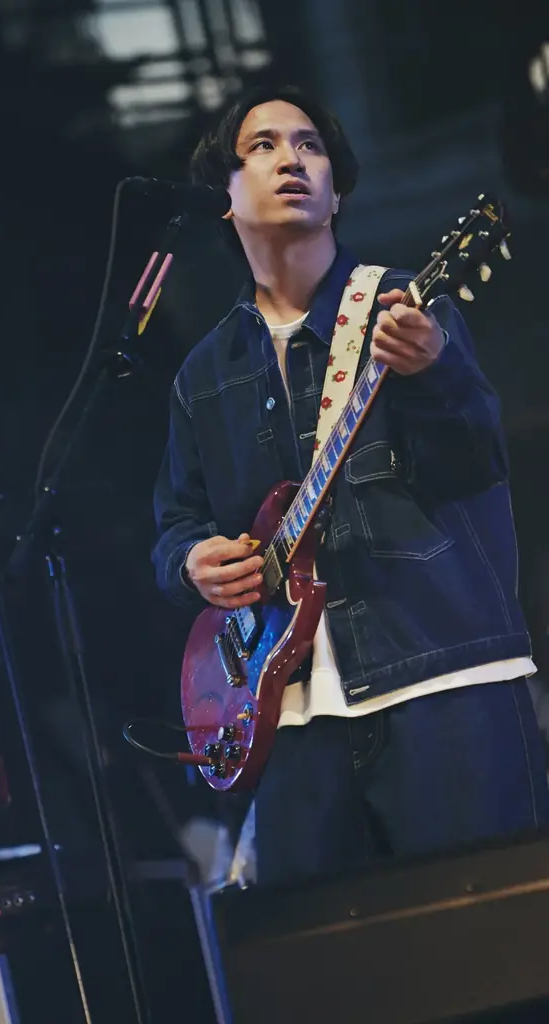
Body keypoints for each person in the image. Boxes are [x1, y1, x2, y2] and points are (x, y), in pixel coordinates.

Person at [152, 83, 549, 886]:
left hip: (440, 682)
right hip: (291, 720)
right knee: (322, 953)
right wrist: (191, 563)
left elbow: (477, 466)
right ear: (225, 197)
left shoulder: (405, 309)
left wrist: (434, 373)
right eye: (263, 146)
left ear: (336, 193)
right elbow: (175, 526)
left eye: (311, 146)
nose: (292, 159)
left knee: (490, 938)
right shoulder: (202, 375)